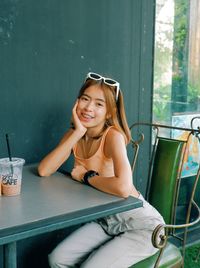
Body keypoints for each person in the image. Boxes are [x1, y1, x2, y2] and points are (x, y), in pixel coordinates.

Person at [38, 72, 164, 268]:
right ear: (76, 102)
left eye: (99, 104)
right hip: (105, 221)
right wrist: (78, 132)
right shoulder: (75, 134)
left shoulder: (113, 136)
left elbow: (123, 188)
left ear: (109, 112)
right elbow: (45, 170)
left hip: (142, 226)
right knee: (57, 259)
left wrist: (87, 176)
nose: (88, 108)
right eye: (85, 99)